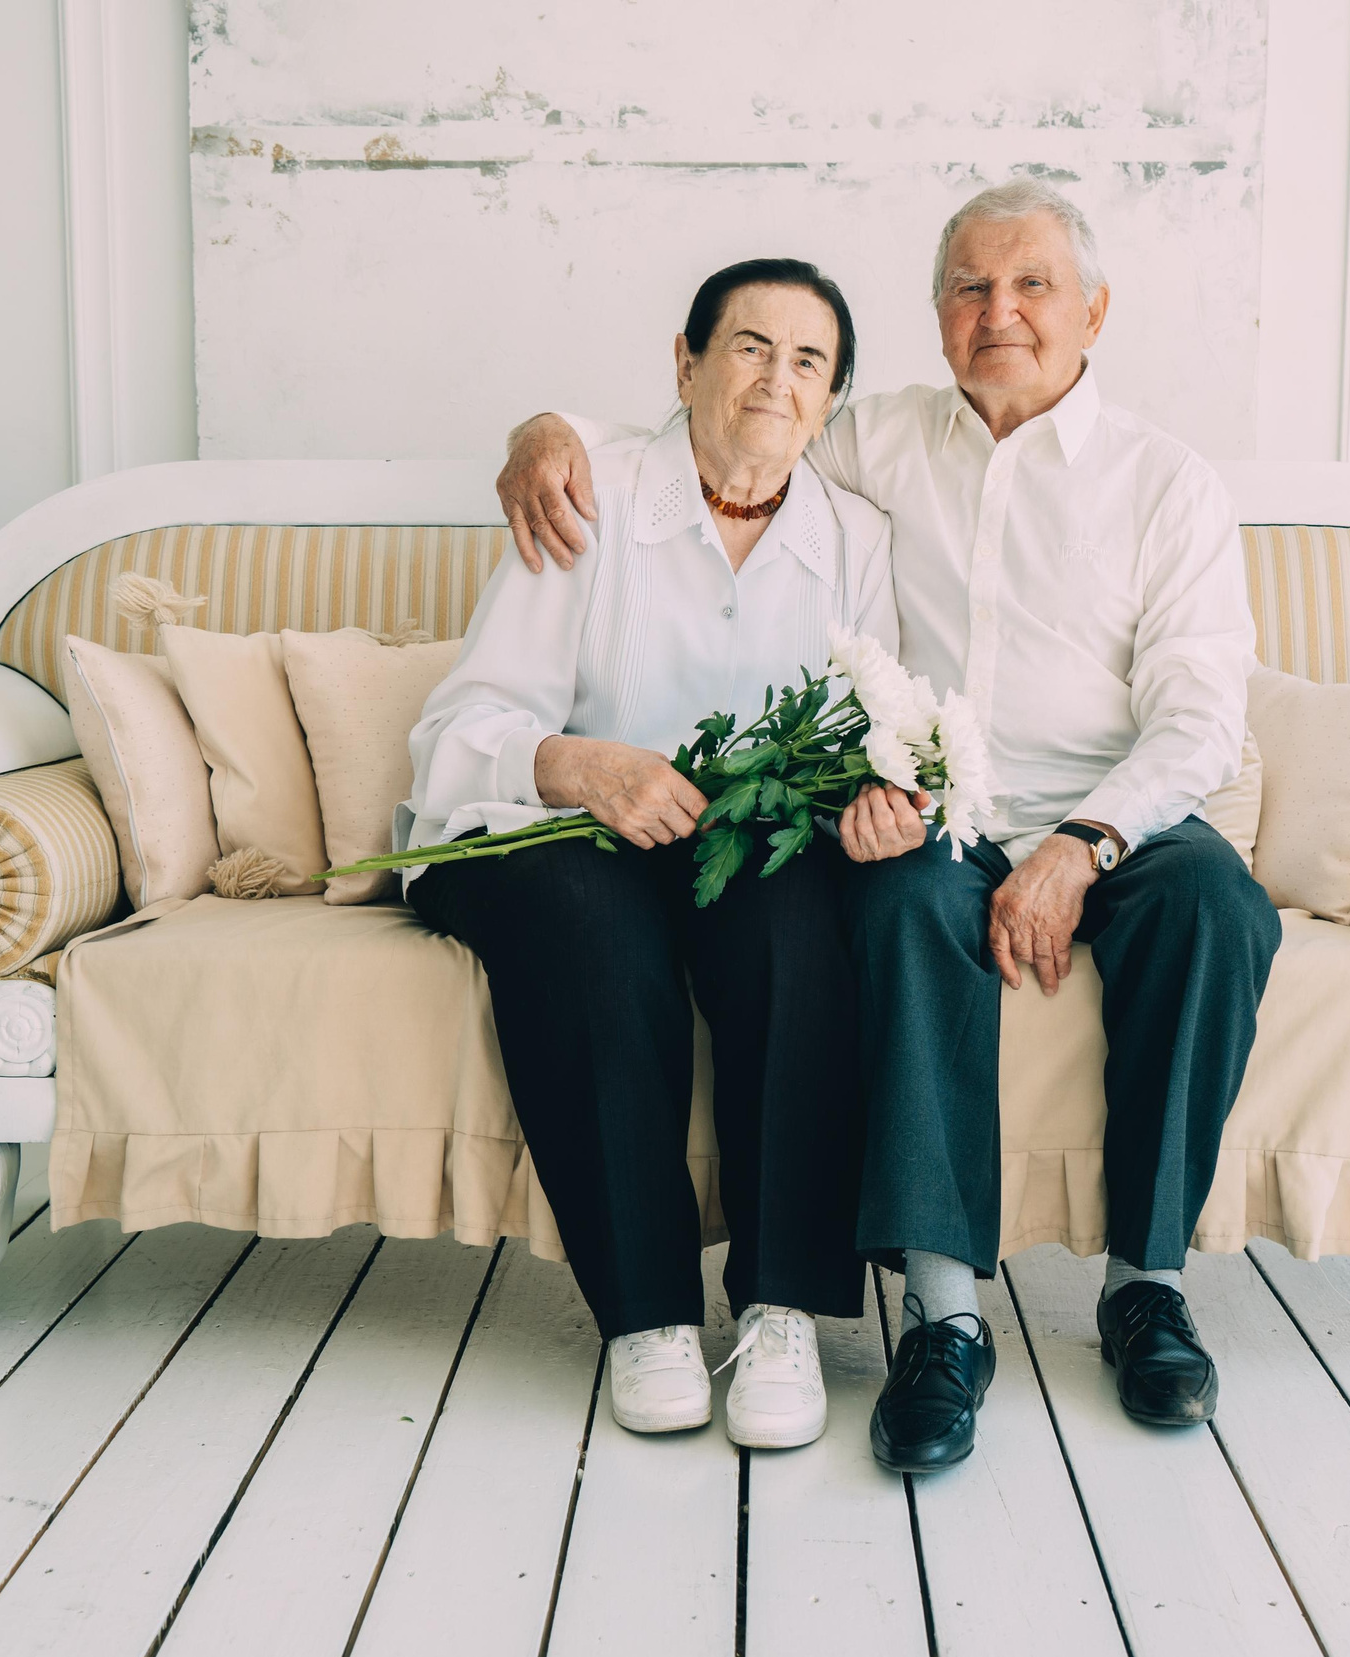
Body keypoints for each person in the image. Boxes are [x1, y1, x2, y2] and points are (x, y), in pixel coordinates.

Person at [494, 182, 1278, 1473]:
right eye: (970, 287)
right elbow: (739, 417)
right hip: (932, 811)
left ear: (1094, 309)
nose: (1001, 312)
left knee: (1221, 909)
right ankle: (944, 1319)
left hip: (1112, 809)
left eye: (1031, 285)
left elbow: (1197, 719)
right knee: (897, 905)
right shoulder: (882, 440)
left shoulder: (1167, 483)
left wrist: (1081, 844)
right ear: (937, 314)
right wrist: (546, 429)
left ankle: (1149, 1285)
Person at [406, 258, 896, 1449]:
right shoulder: (591, 496)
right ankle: (648, 1317)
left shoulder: (857, 542)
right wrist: (577, 764)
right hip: (548, 835)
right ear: (684, 364)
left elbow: (866, 731)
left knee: (800, 921)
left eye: (808, 361)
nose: (776, 379)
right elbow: (456, 735)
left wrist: (877, 799)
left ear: (829, 404)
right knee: (590, 912)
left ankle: (782, 1307)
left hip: (732, 854)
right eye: (747, 347)